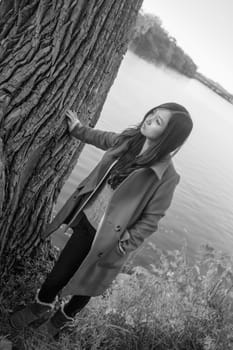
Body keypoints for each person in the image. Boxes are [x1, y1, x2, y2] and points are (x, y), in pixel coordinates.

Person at [10, 102, 193, 337]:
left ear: (170, 136)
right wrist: (77, 129)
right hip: (88, 223)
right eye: (152, 114)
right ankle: (40, 306)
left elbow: (152, 218)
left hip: (111, 241)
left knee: (87, 286)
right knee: (59, 272)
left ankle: (60, 320)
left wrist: (124, 243)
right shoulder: (129, 140)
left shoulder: (167, 176)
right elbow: (101, 137)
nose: (149, 119)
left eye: (158, 121)